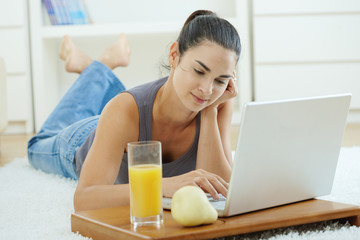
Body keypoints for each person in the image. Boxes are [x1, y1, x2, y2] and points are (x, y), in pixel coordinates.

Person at [27, 10, 241, 212]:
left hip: (127, 117)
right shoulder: (124, 110)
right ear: (174, 55)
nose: (207, 89)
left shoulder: (217, 102)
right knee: (35, 146)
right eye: (199, 71)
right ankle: (103, 64)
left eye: (220, 80)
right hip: (82, 138)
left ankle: (89, 66)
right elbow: (84, 199)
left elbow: (220, 190)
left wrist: (209, 111)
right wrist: (163, 186)